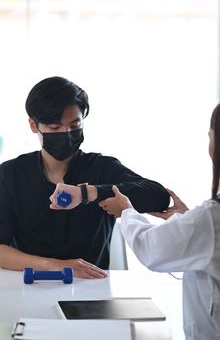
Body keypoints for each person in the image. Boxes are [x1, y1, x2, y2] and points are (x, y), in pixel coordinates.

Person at [0, 76, 170, 279]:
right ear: (33, 125)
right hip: (27, 284)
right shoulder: (11, 174)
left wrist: (88, 193)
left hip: (91, 290)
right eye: (55, 128)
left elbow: (158, 196)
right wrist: (56, 266)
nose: (67, 133)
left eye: (74, 125)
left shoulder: (102, 168)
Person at [94, 98, 220, 338]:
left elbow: (150, 248)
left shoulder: (214, 218)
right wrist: (188, 219)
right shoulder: (214, 221)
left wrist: (126, 210)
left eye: (211, 135)